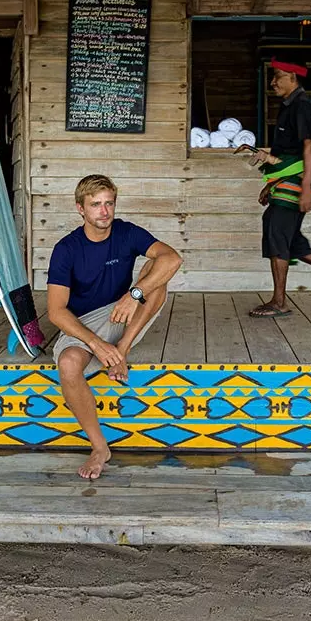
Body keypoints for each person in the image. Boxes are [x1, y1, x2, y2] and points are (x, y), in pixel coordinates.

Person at [47, 174, 182, 479]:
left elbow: (172, 259)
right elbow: (56, 312)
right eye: (95, 205)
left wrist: (135, 295)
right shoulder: (66, 249)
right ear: (81, 209)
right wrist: (96, 344)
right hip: (84, 324)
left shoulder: (125, 232)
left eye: (109, 203)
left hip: (126, 316)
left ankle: (123, 350)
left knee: (156, 273)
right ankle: (99, 448)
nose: (104, 211)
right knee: (68, 364)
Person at [246, 57, 311, 317]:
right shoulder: (287, 106)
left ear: (293, 77)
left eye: (278, 76)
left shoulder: (303, 106)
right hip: (284, 181)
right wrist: (270, 185)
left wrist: (306, 187)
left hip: (295, 184)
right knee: (288, 237)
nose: (273, 82)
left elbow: (309, 147)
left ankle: (279, 302)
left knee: (277, 232)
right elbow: (285, 153)